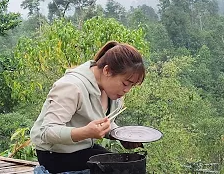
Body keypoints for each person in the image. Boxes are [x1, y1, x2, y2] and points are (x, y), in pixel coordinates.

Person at [30, 41, 146, 173]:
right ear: (107, 70)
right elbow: (47, 132)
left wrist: (120, 135)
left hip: (83, 149)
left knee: (131, 164)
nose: (127, 90)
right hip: (55, 154)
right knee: (118, 169)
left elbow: (105, 123)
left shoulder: (111, 92)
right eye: (125, 83)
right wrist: (86, 132)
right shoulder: (72, 86)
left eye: (132, 85)